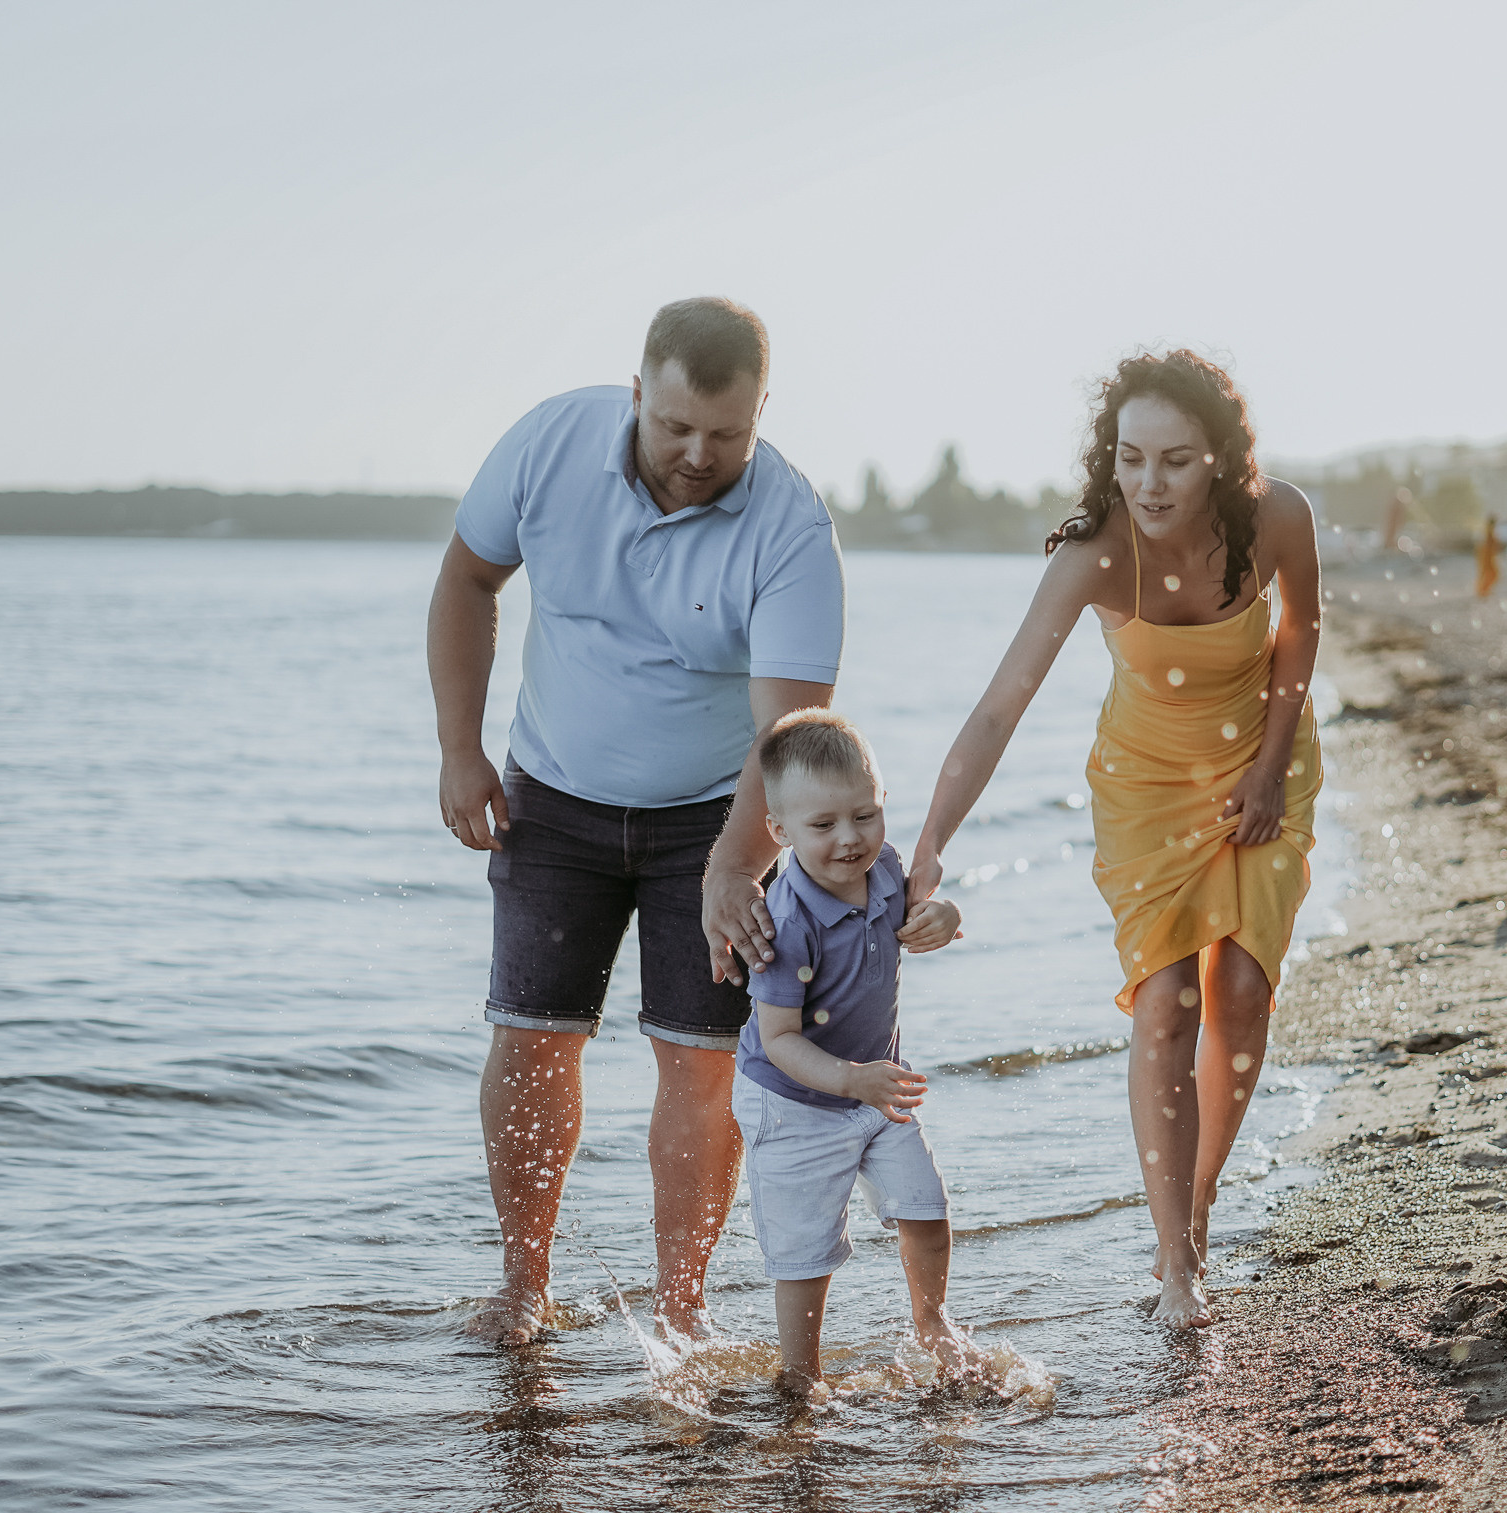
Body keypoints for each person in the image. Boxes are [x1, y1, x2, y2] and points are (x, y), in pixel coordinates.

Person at [428, 297, 845, 1346]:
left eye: (726, 433)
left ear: (761, 412)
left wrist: (735, 864)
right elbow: (468, 577)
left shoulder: (791, 528)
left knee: (698, 1061)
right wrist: (459, 748)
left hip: (713, 818)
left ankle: (682, 1312)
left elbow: (788, 734)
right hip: (552, 798)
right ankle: (524, 1286)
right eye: (676, 426)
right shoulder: (549, 444)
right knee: (531, 1038)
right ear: (636, 393)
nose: (699, 454)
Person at [909, 350, 1323, 1329]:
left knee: (1242, 990)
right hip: (1146, 789)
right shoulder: (1092, 554)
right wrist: (928, 846)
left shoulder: (1278, 516)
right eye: (1131, 458)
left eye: (1175, 460)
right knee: (1168, 1003)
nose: (1150, 483)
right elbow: (999, 708)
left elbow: (1300, 631)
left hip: (1262, 762)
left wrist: (1269, 769)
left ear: (1219, 458)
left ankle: (1198, 1200)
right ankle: (1176, 1260)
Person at [732, 710, 979, 1396]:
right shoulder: (787, 921)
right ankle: (800, 1373)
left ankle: (933, 1322)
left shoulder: (888, 869)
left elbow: (924, 914)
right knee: (806, 1250)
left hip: (875, 1088)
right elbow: (779, 1039)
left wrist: (947, 916)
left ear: (882, 804)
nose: (849, 838)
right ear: (779, 830)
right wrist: (850, 1080)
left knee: (926, 1208)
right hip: (794, 1101)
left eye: (864, 815)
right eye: (823, 825)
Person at [1474, 514, 1502, 598]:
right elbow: (1487, 545)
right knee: (1491, 573)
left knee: (1489, 573)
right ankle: (1483, 590)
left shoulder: (1490, 531)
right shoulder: (1488, 531)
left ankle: (1483, 590)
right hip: (1487, 556)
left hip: (1488, 556)